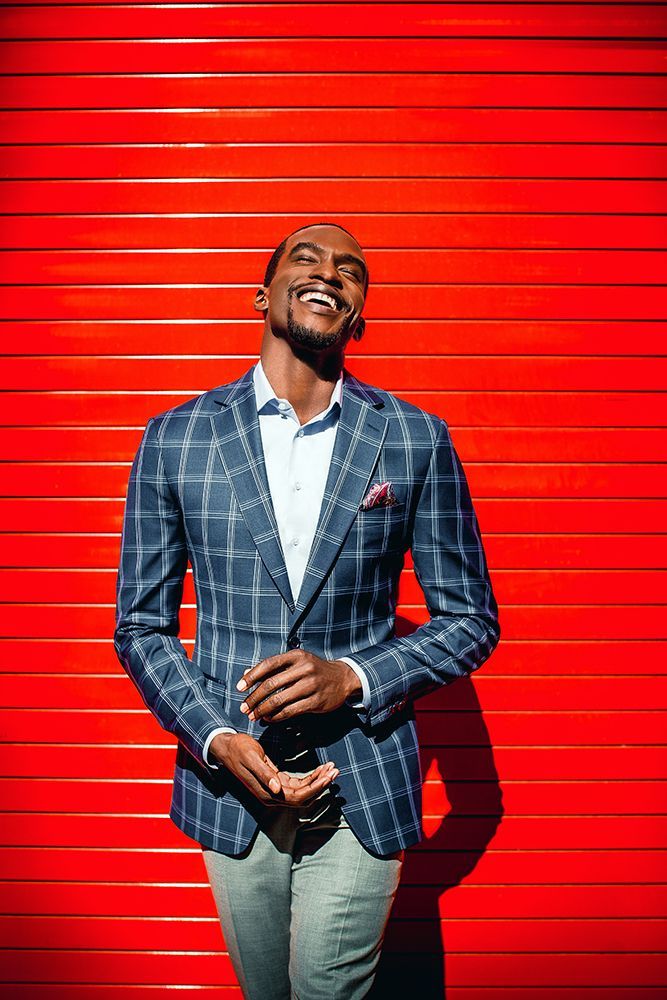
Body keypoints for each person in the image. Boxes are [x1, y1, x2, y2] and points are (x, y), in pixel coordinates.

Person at [114, 222, 500, 999]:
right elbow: (141, 625)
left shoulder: (414, 438)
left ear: (358, 315)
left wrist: (354, 676)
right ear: (263, 295)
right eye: (307, 258)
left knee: (328, 990)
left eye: (351, 271)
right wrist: (214, 735)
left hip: (362, 779)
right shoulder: (176, 439)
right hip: (230, 781)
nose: (330, 273)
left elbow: (470, 618)